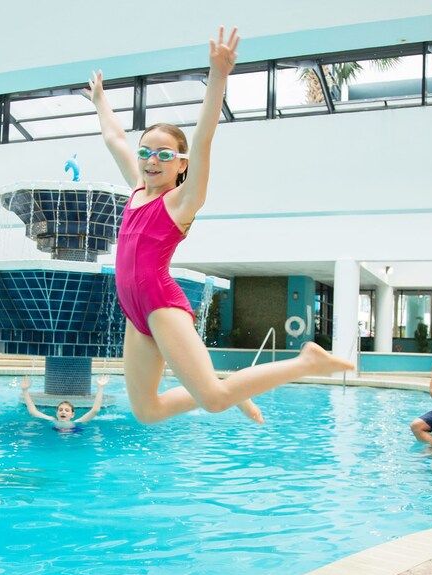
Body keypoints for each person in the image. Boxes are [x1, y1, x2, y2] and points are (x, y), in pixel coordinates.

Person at [85, 27, 354, 425]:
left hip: (160, 304)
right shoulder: (138, 188)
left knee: (213, 400)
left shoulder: (181, 201)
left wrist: (218, 75)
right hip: (134, 311)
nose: (151, 160)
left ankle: (305, 362)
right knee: (146, 411)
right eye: (146, 152)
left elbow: (204, 137)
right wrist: (100, 102)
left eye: (164, 154)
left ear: (182, 163)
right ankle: (233, 388)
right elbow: (115, 139)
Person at [21, 375, 109, 431]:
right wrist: (25, 390)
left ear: (72, 415)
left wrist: (100, 388)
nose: (63, 412)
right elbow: (33, 412)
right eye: (60, 410)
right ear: (57, 413)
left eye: (67, 410)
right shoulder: (53, 420)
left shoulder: (77, 422)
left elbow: (95, 410)